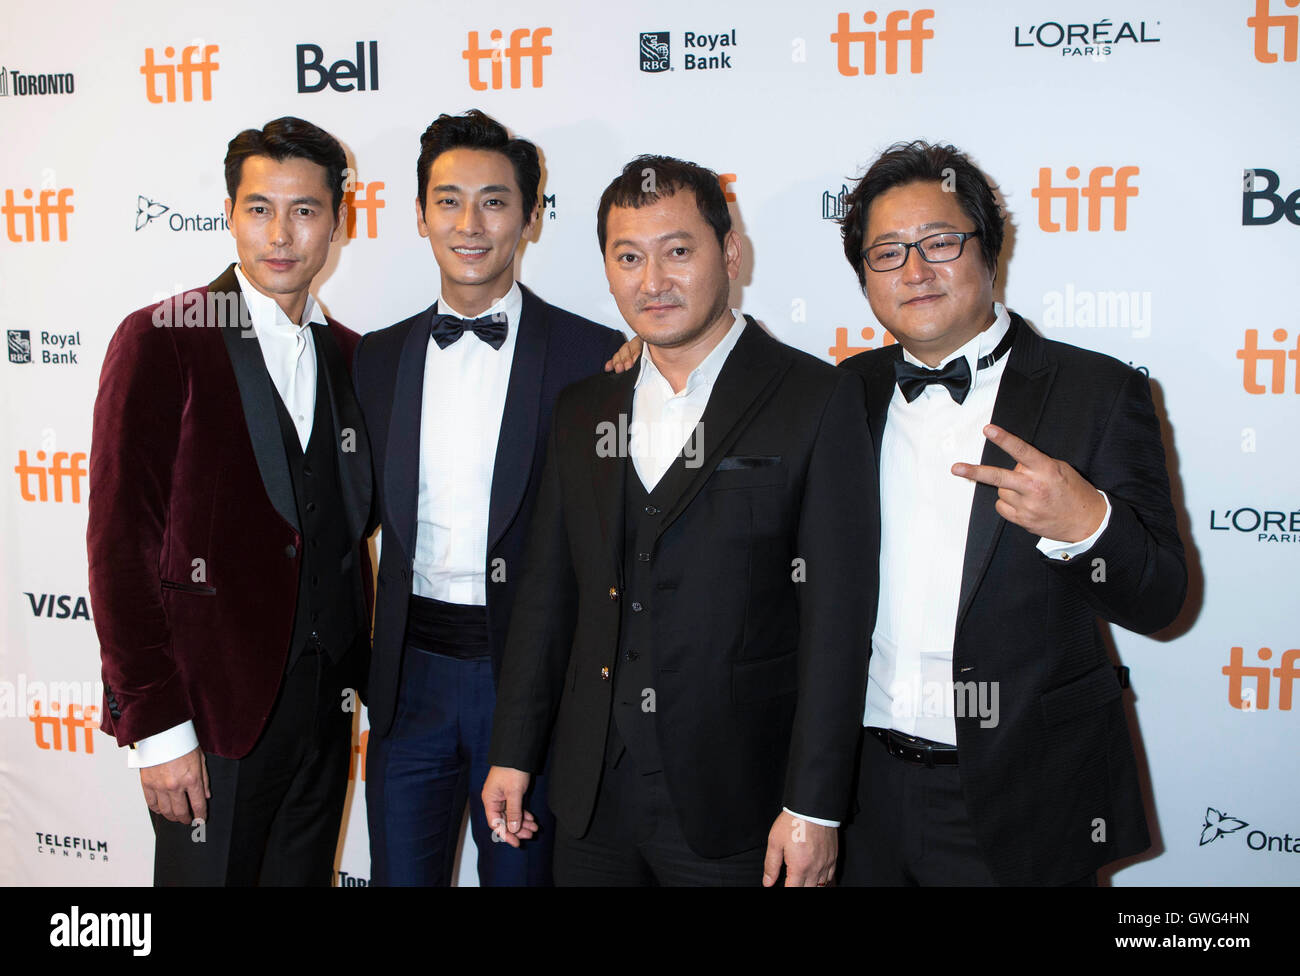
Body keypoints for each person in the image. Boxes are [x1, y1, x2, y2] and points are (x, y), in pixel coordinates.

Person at [482, 155, 878, 886]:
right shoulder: (583, 409)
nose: (652, 281)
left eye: (678, 251)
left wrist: (815, 807)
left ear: (730, 253)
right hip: (592, 794)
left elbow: (838, 622)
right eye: (628, 256)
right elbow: (547, 597)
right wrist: (513, 749)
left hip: (740, 801)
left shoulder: (815, 399)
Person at [835, 140, 1186, 885]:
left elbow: (1162, 600)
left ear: (991, 251)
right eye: (888, 253)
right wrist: (646, 359)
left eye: (940, 242)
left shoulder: (1097, 392)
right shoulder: (845, 391)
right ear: (864, 276)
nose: (917, 271)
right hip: (861, 789)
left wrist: (1087, 524)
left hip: (1025, 790)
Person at [88, 117, 372, 885]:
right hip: (209, 722)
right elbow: (120, 548)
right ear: (228, 212)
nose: (281, 233)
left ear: (338, 224)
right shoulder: (161, 337)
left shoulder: (352, 355)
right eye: (259, 208)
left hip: (325, 710)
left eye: (305, 210)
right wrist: (156, 729)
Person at [353, 110, 624, 886]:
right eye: (448, 200)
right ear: (418, 214)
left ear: (532, 217)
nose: (469, 224)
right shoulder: (376, 359)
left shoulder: (595, 358)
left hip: (533, 684)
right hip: (408, 686)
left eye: (495, 201)